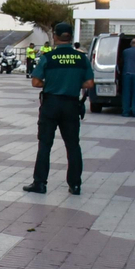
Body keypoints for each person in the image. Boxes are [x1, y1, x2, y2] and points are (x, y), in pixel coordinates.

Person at [23, 22, 93, 196]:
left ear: (55, 36)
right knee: (73, 145)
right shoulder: (81, 58)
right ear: (70, 36)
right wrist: (74, 83)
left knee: (45, 144)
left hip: (51, 104)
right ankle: (75, 184)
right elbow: (89, 83)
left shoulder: (49, 57)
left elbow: (36, 82)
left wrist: (51, 84)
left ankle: (40, 183)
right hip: (71, 105)